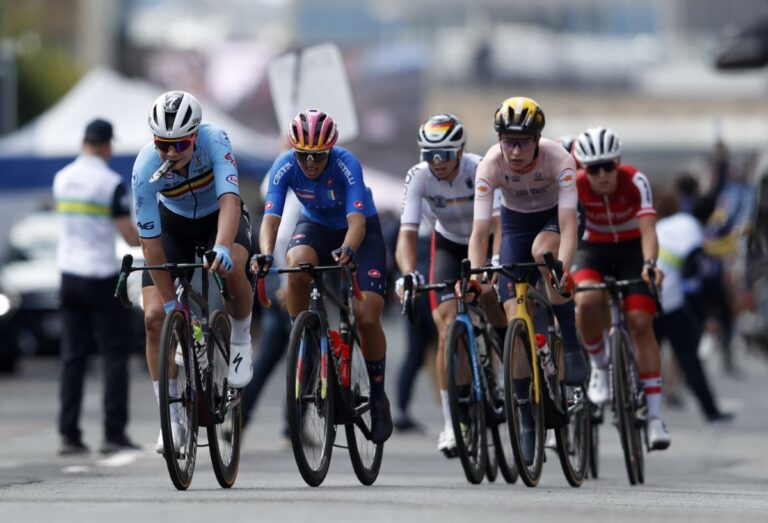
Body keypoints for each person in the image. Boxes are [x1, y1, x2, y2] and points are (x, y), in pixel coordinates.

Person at [253, 109, 393, 444]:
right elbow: (270, 218)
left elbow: (357, 223)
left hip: (358, 232)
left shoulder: (346, 164)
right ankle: (305, 337)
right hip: (314, 226)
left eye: (318, 157)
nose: (311, 163)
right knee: (297, 264)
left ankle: (377, 394)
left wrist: (347, 249)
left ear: (330, 150)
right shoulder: (284, 166)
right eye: (304, 156)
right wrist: (265, 254)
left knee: (367, 316)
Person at [132, 91, 255, 454]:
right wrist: (171, 304)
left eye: (180, 144)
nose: (170, 153)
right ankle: (170, 416)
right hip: (174, 226)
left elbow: (230, 200)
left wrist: (220, 245)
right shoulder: (144, 168)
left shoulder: (215, 140)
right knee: (154, 317)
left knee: (233, 265)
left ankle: (241, 340)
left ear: (196, 135)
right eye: (162, 144)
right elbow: (150, 240)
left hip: (218, 218)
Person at [468, 97, 588, 464]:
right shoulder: (489, 165)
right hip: (517, 225)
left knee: (544, 256)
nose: (515, 150)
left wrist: (562, 269)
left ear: (538, 139)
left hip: (555, 220)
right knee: (514, 312)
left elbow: (569, 227)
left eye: (522, 142)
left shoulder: (559, 160)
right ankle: (524, 412)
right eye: (508, 141)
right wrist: (475, 274)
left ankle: (569, 344)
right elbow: (480, 232)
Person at [395, 113, 504, 456]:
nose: (436, 162)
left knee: (486, 292)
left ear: (460, 151)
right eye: (429, 154)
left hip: (484, 240)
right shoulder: (419, 177)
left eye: (443, 154)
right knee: (445, 325)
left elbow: (499, 225)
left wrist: (495, 263)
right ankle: (451, 423)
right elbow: (407, 235)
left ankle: (505, 349)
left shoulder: (479, 169)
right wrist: (409, 273)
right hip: (447, 245)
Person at [571, 126, 670, 450]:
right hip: (593, 250)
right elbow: (568, 230)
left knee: (641, 324)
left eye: (607, 166)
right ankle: (599, 366)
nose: (600, 175)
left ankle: (655, 418)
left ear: (618, 162)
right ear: (583, 167)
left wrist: (650, 264)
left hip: (631, 250)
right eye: (592, 168)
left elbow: (648, 231)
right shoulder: (575, 185)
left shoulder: (635, 181)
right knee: (586, 301)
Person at [54, 118, 141, 455]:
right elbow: (129, 235)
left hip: (69, 275)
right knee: (113, 355)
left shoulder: (62, 179)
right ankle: (113, 432)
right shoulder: (111, 183)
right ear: (106, 145)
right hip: (101, 275)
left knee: (72, 357)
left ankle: (69, 434)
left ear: (83, 141)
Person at [653, 187, 733, 423]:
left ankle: (638, 411)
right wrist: (709, 314)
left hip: (651, 296)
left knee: (646, 359)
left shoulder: (674, 223)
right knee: (689, 359)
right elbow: (697, 276)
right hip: (668, 299)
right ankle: (711, 412)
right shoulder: (693, 231)